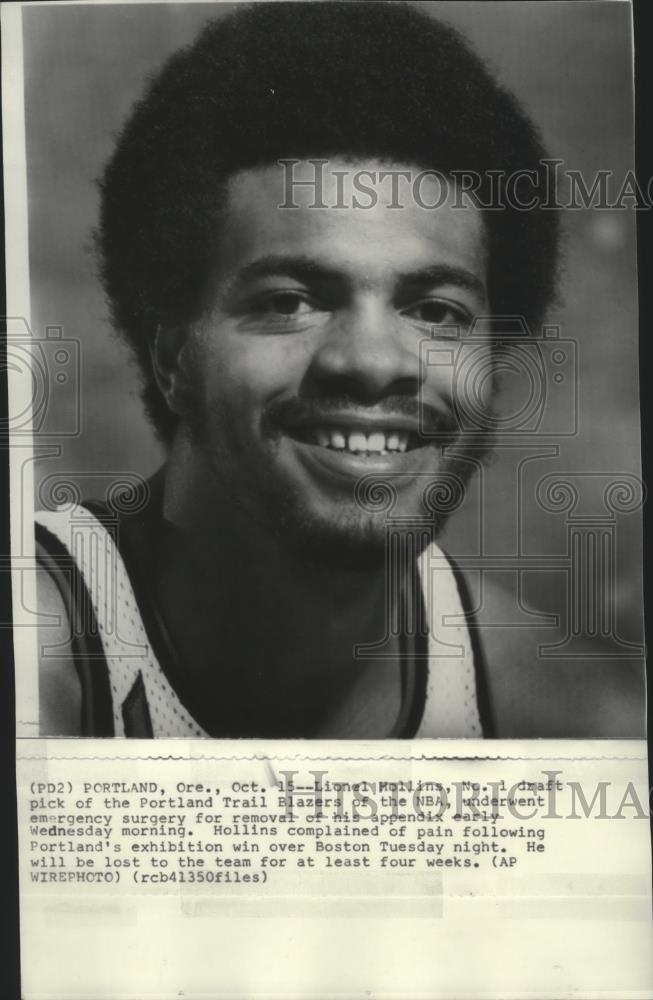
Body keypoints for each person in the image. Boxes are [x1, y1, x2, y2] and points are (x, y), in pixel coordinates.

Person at [34, 0, 644, 739]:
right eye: (290, 301)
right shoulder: (35, 679)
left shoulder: (580, 729)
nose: (371, 362)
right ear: (174, 358)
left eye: (435, 311)